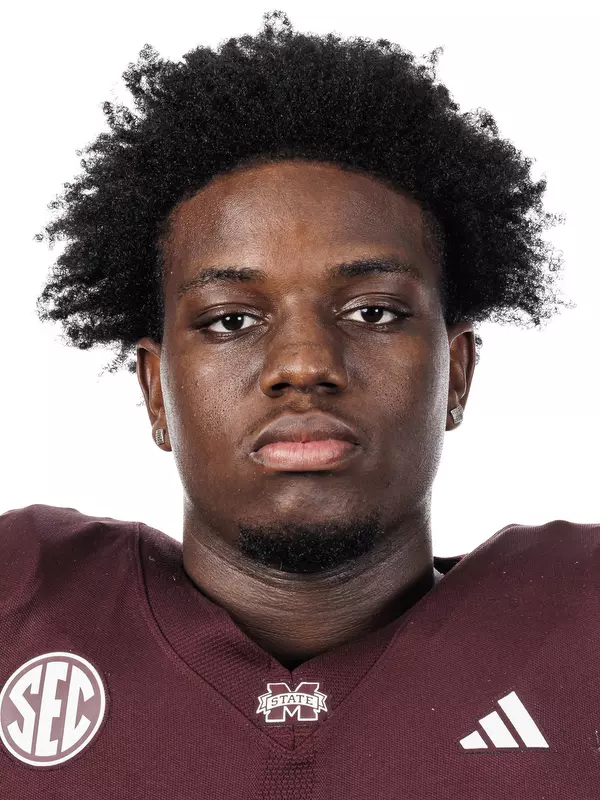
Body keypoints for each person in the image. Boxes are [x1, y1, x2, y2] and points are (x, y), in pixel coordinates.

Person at [1, 10, 593, 799]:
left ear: (456, 373)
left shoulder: (582, 625)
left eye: (373, 311)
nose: (305, 365)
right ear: (154, 391)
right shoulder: (24, 598)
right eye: (232, 320)